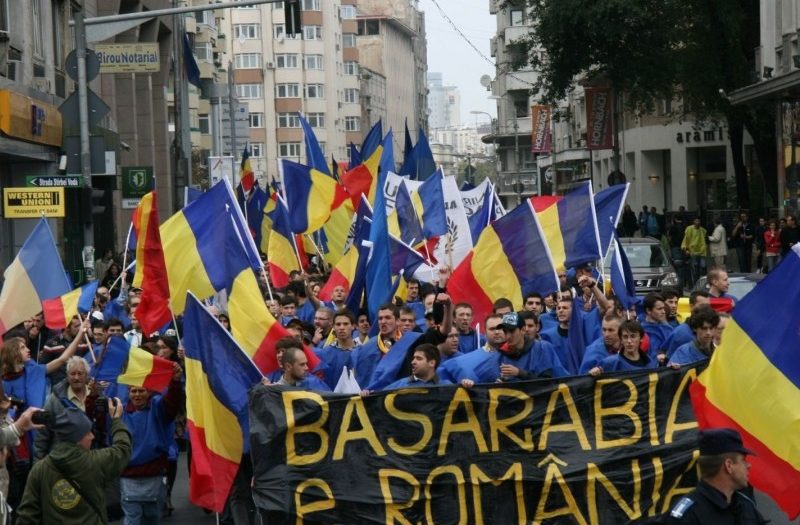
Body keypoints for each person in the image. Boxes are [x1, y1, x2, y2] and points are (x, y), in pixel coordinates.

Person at [16, 399, 131, 525]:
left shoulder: (39, 470)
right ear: (77, 439)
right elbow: (123, 449)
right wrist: (116, 419)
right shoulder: (96, 462)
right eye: (88, 433)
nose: (92, 437)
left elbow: (27, 515)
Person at [120, 363, 185, 524]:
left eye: (141, 391)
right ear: (128, 392)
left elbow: (171, 405)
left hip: (154, 475)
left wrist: (175, 381)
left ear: (148, 392)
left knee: (152, 519)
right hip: (128, 477)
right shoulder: (120, 412)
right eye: (133, 391)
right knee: (132, 520)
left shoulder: (157, 407)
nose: (137, 395)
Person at [666, 428, 766, 524]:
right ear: (729, 465)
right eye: (743, 460)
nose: (748, 465)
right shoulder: (688, 515)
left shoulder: (745, 506)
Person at [590, 320, 657, 373]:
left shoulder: (651, 363)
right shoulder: (609, 363)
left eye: (633, 336)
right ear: (621, 340)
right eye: (625, 337)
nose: (629, 341)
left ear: (641, 338)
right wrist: (593, 374)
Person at [383, 344, 452, 390]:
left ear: (432, 363)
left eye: (419, 359)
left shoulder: (447, 388)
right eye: (414, 358)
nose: (413, 362)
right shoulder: (398, 386)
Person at [682, 217, 707, 286]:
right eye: (696, 221)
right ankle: (696, 283)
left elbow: (704, 239)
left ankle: (702, 282)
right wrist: (686, 249)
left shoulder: (702, 230)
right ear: (693, 222)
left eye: (699, 221)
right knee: (695, 268)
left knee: (703, 266)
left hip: (701, 252)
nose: (698, 223)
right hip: (692, 252)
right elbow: (686, 239)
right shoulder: (689, 229)